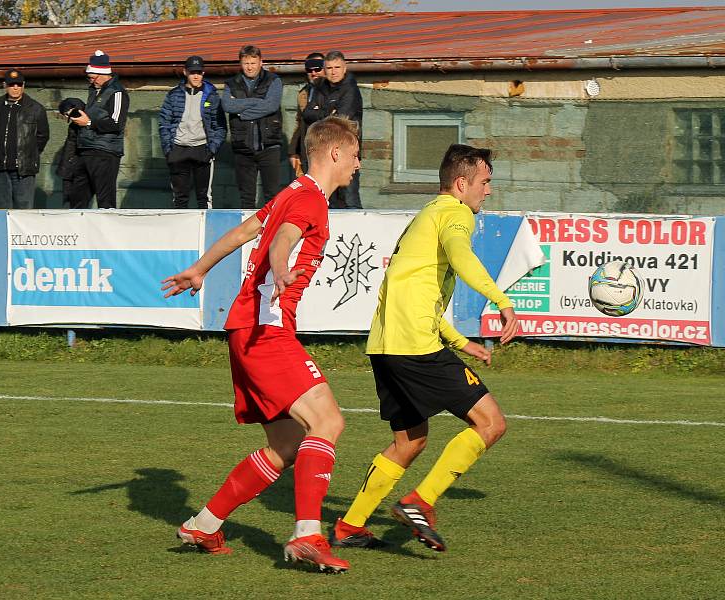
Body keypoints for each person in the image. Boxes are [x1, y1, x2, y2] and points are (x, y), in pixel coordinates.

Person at [162, 116, 361, 573]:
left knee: (288, 446)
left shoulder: (289, 193)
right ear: (334, 153)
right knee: (327, 421)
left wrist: (200, 269)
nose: (357, 164)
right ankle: (308, 535)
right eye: (353, 155)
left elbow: (243, 231)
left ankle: (204, 523)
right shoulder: (309, 200)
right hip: (266, 332)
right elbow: (284, 240)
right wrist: (281, 265)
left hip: (249, 331)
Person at [330, 144, 519, 552]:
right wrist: (501, 300)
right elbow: (461, 256)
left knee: (409, 441)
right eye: (485, 182)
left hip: (385, 345)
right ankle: (421, 501)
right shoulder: (455, 214)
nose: (488, 191)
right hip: (415, 345)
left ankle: (350, 525)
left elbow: (416, 295)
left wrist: (460, 341)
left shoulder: (427, 216)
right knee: (491, 423)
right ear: (461, 183)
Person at [158, 55, 227, 209]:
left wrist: (211, 150)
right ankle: (179, 232)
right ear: (185, 72)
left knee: (204, 198)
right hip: (178, 149)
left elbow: (220, 126)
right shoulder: (173, 94)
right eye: (192, 72)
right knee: (179, 198)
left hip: (202, 149)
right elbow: (164, 123)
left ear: (203, 73)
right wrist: (169, 150)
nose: (196, 76)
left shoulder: (212, 95)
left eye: (199, 72)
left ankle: (206, 233)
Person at [221, 45, 283, 209]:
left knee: (272, 196)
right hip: (243, 147)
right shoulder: (231, 83)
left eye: (253, 63)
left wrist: (242, 112)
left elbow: (271, 106)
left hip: (269, 145)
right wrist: (256, 102)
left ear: (261, 62)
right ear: (240, 63)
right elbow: (227, 105)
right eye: (246, 63)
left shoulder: (273, 80)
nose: (249, 67)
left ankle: (272, 231)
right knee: (247, 198)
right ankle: (249, 233)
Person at [69, 50, 129, 209]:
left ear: (103, 74)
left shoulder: (117, 93)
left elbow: (116, 123)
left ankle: (108, 233)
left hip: (105, 152)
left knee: (105, 201)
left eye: (92, 77)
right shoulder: (94, 90)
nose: (90, 80)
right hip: (86, 150)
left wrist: (88, 122)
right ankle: (79, 232)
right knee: (78, 200)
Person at [302, 50, 362, 209]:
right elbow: (307, 114)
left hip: (346, 154)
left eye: (337, 67)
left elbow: (340, 121)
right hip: (325, 156)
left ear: (344, 68)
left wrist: (321, 113)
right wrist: (328, 112)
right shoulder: (319, 87)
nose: (333, 72)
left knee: (350, 200)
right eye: (329, 68)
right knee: (326, 200)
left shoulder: (351, 90)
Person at [0, 68, 49, 209]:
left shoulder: (36, 108)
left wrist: (29, 154)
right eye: (12, 84)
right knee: (2, 209)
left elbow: (43, 136)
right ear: (4, 85)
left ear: (23, 86)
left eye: (19, 84)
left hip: (23, 169)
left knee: (24, 209)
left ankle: (21, 233)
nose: (15, 87)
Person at [288, 52, 324, 178]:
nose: (314, 73)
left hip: (324, 153)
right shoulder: (303, 93)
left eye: (318, 68)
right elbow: (299, 122)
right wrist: (293, 151)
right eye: (310, 70)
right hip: (305, 153)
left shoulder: (332, 93)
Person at [55, 98, 89, 208]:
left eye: (66, 115)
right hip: (72, 168)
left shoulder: (83, 124)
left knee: (76, 204)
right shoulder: (75, 126)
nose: (67, 118)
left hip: (78, 168)